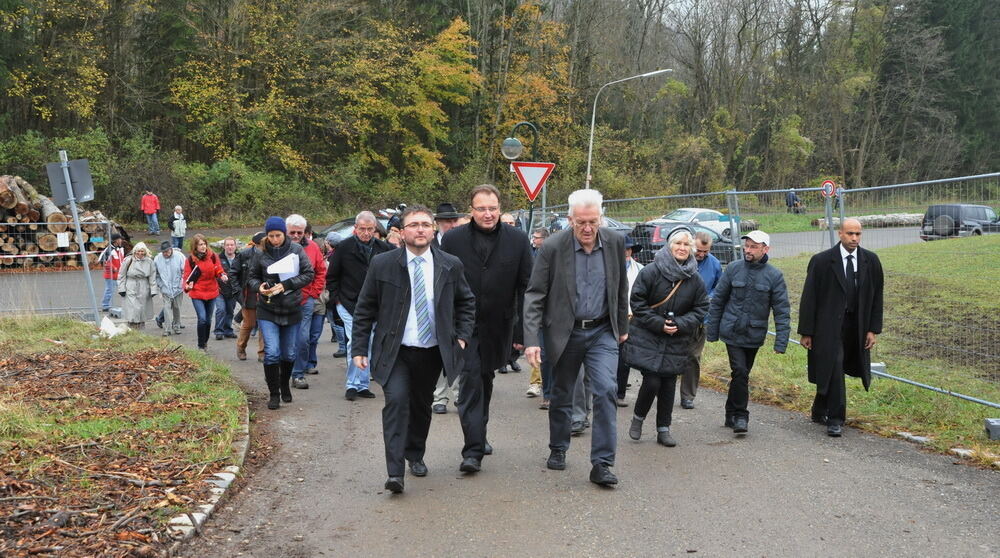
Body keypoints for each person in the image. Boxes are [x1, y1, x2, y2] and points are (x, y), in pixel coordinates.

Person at [351, 205, 475, 494]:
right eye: (414, 224)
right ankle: (395, 472)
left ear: (433, 230)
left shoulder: (450, 264)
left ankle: (415, 453)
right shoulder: (383, 264)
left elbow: (466, 302)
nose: (420, 229)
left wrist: (461, 337)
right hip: (395, 351)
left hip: (432, 350)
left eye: (425, 224)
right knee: (396, 402)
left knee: (421, 407)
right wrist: (359, 347)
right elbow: (365, 308)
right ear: (402, 231)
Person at [524, 188, 629, 487]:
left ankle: (602, 463)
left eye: (593, 222)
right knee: (561, 392)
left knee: (607, 389)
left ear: (601, 218)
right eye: (580, 222)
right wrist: (532, 338)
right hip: (565, 332)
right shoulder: (553, 247)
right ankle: (558, 447)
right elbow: (534, 295)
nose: (587, 229)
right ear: (570, 219)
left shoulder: (614, 243)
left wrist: (621, 327)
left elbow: (620, 288)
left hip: (601, 331)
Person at [441, 184, 532, 473]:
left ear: (500, 209)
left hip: (500, 326)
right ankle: (472, 450)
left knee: (485, 378)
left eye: (492, 208)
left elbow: (526, 287)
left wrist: (522, 333)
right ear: (471, 210)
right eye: (481, 208)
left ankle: (480, 431)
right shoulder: (453, 240)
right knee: (470, 380)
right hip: (463, 327)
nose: (488, 214)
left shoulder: (517, 240)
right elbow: (442, 286)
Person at [623, 228, 709, 447]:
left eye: (686, 245)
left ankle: (664, 428)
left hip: (677, 339)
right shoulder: (651, 271)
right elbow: (638, 302)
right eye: (678, 243)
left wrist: (679, 324)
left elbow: (701, 308)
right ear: (669, 245)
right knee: (652, 380)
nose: (682, 248)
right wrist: (659, 324)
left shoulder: (695, 278)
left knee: (669, 382)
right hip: (648, 335)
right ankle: (638, 418)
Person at [799, 219, 884, 437]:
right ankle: (836, 418)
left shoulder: (870, 261)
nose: (854, 238)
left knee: (837, 367)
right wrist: (806, 331)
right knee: (834, 365)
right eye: (850, 234)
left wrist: (872, 329)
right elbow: (809, 298)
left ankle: (819, 408)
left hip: (856, 325)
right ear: (840, 234)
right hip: (828, 326)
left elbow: (877, 298)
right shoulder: (822, 261)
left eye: (858, 234)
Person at [706, 230, 791, 434]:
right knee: (740, 372)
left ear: (765, 249)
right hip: (731, 331)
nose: (748, 250)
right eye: (747, 246)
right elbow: (718, 300)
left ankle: (729, 412)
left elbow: (781, 310)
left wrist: (781, 341)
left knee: (741, 375)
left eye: (753, 247)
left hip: (754, 334)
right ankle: (741, 416)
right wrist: (712, 331)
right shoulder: (734, 269)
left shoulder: (774, 276)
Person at [247, 217, 316, 410]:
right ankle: (274, 393)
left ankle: (285, 384)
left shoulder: (296, 250)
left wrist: (286, 284)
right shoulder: (260, 252)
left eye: (278, 235)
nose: (275, 239)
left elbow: (308, 274)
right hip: (267, 309)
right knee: (272, 352)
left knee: (289, 353)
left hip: (292, 307)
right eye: (271, 236)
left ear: (284, 234)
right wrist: (260, 287)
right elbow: (251, 277)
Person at [326, 211, 394, 401]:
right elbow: (332, 276)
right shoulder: (344, 248)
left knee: (370, 342)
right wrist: (336, 299)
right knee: (355, 341)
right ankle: (352, 385)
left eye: (370, 229)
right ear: (355, 229)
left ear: (375, 229)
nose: (366, 233)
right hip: (348, 302)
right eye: (362, 229)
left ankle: (362, 384)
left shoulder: (384, 248)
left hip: (375, 304)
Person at [679, 231, 723, 409]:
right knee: (671, 354)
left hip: (701, 318)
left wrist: (707, 298)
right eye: (699, 250)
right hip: (679, 316)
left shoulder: (714, 264)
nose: (702, 254)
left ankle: (687, 396)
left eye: (706, 251)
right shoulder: (680, 259)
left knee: (693, 357)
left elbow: (718, 288)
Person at [430, 202, 466, 413]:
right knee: (438, 351)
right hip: (434, 304)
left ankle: (460, 394)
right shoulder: (429, 242)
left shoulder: (463, 242)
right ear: (438, 223)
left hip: (458, 302)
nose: (451, 224)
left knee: (458, 349)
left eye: (453, 220)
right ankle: (439, 397)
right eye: (446, 221)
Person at [288, 216, 327, 387]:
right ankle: (283, 370)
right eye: (292, 232)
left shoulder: (312, 248)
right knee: (286, 338)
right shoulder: (277, 247)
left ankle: (298, 373)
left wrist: (314, 292)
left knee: (303, 338)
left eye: (299, 232)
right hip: (282, 300)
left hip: (305, 300)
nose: (296, 235)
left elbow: (320, 271)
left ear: (305, 232)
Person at [183, 234, 228, 351]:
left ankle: (205, 342)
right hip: (197, 293)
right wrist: (188, 286)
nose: (203, 247)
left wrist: (222, 275)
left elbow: (218, 268)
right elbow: (186, 277)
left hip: (212, 291)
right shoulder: (190, 260)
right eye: (200, 245)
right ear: (195, 246)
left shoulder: (213, 256)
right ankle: (200, 345)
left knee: (208, 321)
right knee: (202, 319)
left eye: (204, 244)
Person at [615, 235, 644, 406]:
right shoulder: (608, 267)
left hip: (633, 319)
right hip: (611, 318)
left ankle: (619, 394)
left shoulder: (640, 269)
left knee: (624, 359)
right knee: (609, 357)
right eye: (623, 249)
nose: (626, 252)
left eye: (628, 248)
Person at [525, 228, 550, 403]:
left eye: (536, 237)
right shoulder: (532, 255)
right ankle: (542, 389)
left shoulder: (553, 256)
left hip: (556, 314)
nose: (533, 240)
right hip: (540, 313)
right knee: (541, 352)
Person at [234, 232, 266, 362]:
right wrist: (237, 292)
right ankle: (241, 347)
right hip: (249, 294)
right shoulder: (244, 254)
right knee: (249, 324)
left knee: (264, 325)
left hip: (264, 294)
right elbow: (233, 273)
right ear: (257, 244)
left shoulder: (269, 255)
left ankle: (262, 353)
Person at [117, 242, 159, 329]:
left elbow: (152, 276)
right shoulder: (128, 260)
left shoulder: (149, 261)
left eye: (142, 251)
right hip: (131, 285)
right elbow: (121, 275)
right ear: (135, 251)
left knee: (142, 308)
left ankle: (141, 327)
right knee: (132, 307)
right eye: (138, 251)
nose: (140, 253)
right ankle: (132, 326)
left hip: (144, 285)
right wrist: (121, 288)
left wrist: (153, 290)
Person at [323, 232, 348, 358]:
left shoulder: (332, 257)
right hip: (338, 293)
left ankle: (343, 347)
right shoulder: (341, 255)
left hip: (335, 294)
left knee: (336, 322)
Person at [154, 241, 185, 336]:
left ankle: (176, 325)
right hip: (165, 288)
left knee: (177, 307)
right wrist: (161, 285)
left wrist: (181, 283)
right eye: (163, 252)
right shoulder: (157, 259)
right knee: (167, 308)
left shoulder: (180, 256)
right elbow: (156, 275)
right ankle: (167, 329)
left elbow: (185, 271)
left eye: (167, 251)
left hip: (178, 288)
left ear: (171, 249)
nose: (165, 254)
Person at [213, 237, 240, 341]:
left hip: (233, 290)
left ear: (235, 246)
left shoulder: (239, 258)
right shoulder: (218, 258)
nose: (230, 247)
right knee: (221, 309)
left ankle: (228, 330)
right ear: (224, 246)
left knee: (230, 311)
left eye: (232, 245)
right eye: (227, 245)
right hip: (219, 290)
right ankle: (219, 331)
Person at [100, 233, 126, 312]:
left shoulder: (121, 248)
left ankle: (127, 304)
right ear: (116, 241)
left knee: (125, 289)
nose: (121, 240)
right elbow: (103, 260)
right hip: (111, 275)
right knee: (109, 290)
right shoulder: (109, 250)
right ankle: (105, 306)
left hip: (120, 274)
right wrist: (113, 268)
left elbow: (122, 259)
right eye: (120, 239)